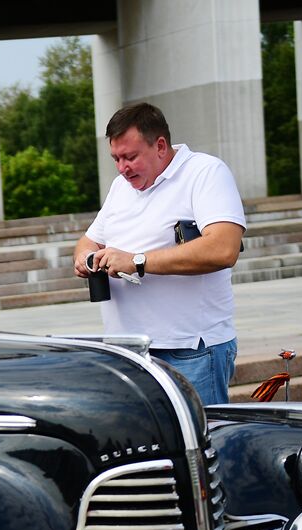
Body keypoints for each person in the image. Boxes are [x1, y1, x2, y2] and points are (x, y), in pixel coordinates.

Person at [72, 103, 246, 405]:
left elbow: (223, 248)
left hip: (191, 350)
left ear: (161, 146)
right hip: (128, 351)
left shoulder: (205, 172)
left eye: (130, 156)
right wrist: (87, 259)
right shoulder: (120, 187)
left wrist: (138, 261)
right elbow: (88, 241)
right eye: (116, 158)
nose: (122, 167)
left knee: (199, 448)